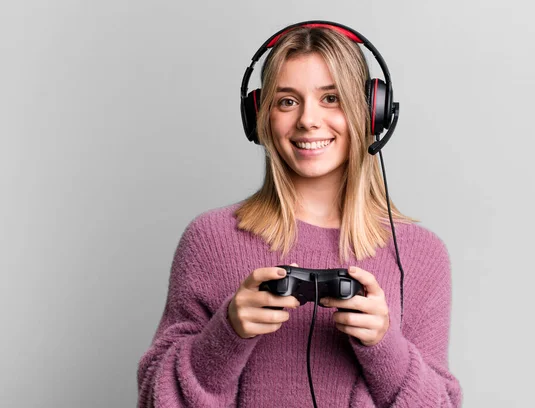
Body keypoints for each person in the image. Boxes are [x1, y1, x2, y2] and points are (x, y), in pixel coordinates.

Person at [137, 22, 462, 408]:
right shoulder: (210, 239)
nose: (308, 120)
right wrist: (228, 333)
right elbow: (156, 398)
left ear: (371, 111)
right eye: (287, 101)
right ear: (261, 117)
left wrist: (382, 346)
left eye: (331, 98)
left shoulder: (421, 255)